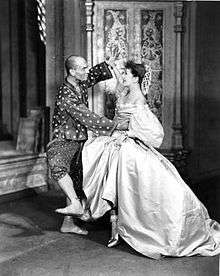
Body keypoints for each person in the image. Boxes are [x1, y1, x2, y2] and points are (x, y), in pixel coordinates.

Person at [82, 60, 220, 258]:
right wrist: (110, 130)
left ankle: (145, 228)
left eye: (127, 74)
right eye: (123, 74)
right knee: (103, 169)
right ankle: (112, 227)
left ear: (136, 78)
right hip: (114, 141)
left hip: (127, 143)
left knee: (155, 187)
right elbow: (117, 112)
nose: (123, 77)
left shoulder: (138, 98)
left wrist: (126, 133)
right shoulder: (125, 92)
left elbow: (151, 132)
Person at [46, 55, 128, 235]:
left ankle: (68, 223)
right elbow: (86, 116)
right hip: (64, 138)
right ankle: (75, 205)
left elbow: (93, 75)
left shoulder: (80, 81)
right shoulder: (65, 93)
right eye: (82, 68)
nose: (86, 70)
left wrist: (108, 65)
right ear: (72, 71)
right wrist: (114, 125)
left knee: (75, 181)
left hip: (79, 139)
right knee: (57, 167)